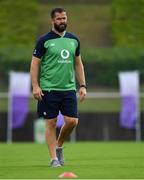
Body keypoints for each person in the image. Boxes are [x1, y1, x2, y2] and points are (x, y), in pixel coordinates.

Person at [30, 7, 87, 167]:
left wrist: (82, 85)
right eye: (59, 19)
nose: (63, 21)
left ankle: (59, 146)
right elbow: (34, 64)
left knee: (72, 121)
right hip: (49, 88)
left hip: (68, 88)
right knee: (51, 122)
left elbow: (78, 63)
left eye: (64, 18)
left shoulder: (74, 40)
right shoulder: (44, 41)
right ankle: (53, 159)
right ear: (52, 20)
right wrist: (35, 86)